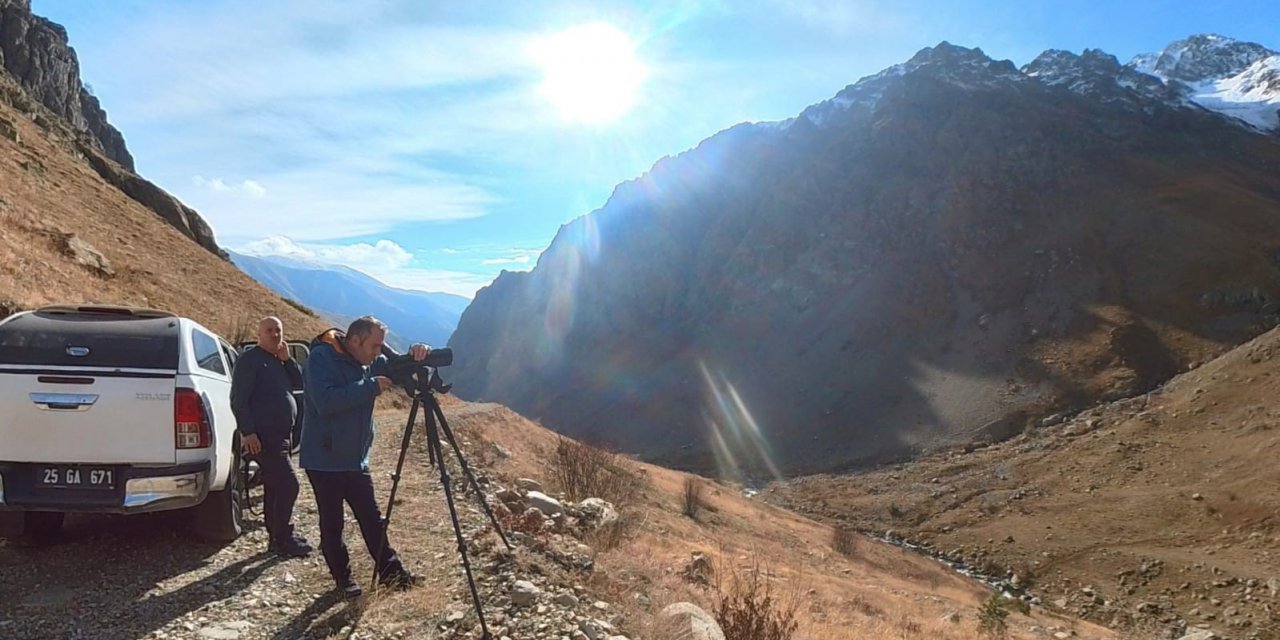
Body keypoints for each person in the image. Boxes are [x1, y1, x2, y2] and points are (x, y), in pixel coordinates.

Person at [300, 315, 429, 598]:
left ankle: (392, 574)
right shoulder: (321, 358)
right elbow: (325, 401)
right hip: (324, 460)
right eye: (375, 346)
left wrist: (417, 352)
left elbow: (396, 366)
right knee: (333, 523)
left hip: (355, 459)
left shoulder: (367, 359)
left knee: (371, 519)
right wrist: (369, 387)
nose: (378, 352)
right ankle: (343, 579)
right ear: (355, 340)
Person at [230, 316, 312, 558]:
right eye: (269, 330)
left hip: (282, 435)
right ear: (259, 335)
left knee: (275, 487)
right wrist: (248, 432)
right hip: (264, 437)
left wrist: (288, 361)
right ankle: (284, 537)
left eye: (278, 330)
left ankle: (276, 539)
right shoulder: (250, 360)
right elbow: (238, 399)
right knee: (290, 484)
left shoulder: (277, 360)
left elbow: (299, 382)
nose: (275, 335)